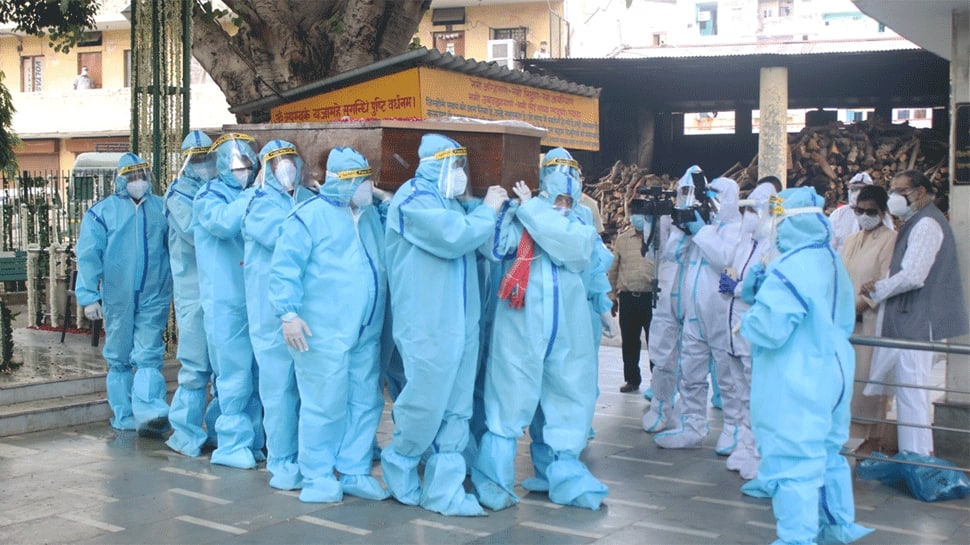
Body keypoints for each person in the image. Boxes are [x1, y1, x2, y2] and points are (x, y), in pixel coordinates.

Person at [380, 133, 507, 516]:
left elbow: (487, 246)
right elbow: (454, 238)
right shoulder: (412, 199)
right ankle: (400, 464)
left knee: (457, 407)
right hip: (427, 324)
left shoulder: (449, 203)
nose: (461, 174)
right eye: (455, 165)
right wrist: (485, 208)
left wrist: (480, 208)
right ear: (436, 163)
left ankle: (445, 491)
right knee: (425, 401)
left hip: (461, 324)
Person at [740, 186, 872, 545]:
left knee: (793, 461)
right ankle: (837, 527)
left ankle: (797, 538)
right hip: (834, 370)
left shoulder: (790, 265)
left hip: (797, 376)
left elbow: (772, 329)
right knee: (828, 454)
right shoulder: (830, 259)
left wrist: (750, 317)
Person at [473, 170, 608, 512]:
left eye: (568, 200)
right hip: (519, 328)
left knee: (568, 397)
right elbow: (493, 247)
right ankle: (494, 481)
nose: (562, 206)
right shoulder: (521, 220)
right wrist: (503, 209)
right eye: (556, 199)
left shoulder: (579, 226)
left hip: (566, 333)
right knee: (508, 400)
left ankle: (563, 476)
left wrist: (533, 211)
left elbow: (574, 250)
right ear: (543, 193)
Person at [270, 147, 390, 503]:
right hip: (321, 333)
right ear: (344, 181)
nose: (368, 187)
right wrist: (287, 314)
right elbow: (284, 268)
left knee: (366, 400)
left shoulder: (367, 216)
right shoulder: (308, 217)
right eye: (363, 180)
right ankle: (318, 474)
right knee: (324, 403)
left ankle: (353, 468)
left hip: (365, 330)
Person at [862, 170, 969, 456]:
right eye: (892, 190)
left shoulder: (926, 225)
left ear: (920, 192)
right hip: (908, 320)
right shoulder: (915, 223)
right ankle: (913, 458)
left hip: (918, 322)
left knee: (913, 397)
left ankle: (918, 461)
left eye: (901, 191)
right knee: (908, 396)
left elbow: (913, 276)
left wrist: (878, 290)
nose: (895, 197)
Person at [75, 153, 172, 435]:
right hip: (118, 296)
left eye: (142, 176)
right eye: (131, 177)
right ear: (120, 180)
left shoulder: (162, 208)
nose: (138, 182)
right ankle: (124, 413)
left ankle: (150, 411)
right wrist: (89, 295)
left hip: (154, 292)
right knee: (118, 355)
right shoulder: (102, 213)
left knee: (148, 353)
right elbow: (89, 255)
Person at [655, 175, 744, 453]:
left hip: (722, 314)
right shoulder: (704, 227)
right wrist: (684, 228)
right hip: (694, 313)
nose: (711, 201)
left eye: (716, 195)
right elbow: (672, 254)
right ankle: (692, 426)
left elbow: (724, 260)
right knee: (690, 372)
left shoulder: (736, 229)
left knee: (728, 377)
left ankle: (734, 428)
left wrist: (701, 231)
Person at [241, 140, 310, 490]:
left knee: (305, 390)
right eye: (277, 161)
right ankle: (282, 460)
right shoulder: (260, 205)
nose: (286, 167)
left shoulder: (308, 199)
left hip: (303, 314)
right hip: (271, 315)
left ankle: (306, 457)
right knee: (279, 388)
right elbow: (287, 237)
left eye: (289, 160)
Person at [193, 133, 264, 469]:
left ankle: (254, 440)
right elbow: (223, 224)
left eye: (248, 165)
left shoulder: (255, 194)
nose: (243, 171)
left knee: (255, 372)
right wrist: (251, 195)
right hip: (224, 299)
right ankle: (232, 444)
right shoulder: (208, 195)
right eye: (238, 166)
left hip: (253, 296)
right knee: (233, 373)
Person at [716, 180, 777, 479]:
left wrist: (738, 288)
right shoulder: (746, 242)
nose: (749, 215)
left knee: (758, 395)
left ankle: (759, 451)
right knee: (740, 394)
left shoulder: (773, 246)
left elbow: (765, 287)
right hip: (734, 329)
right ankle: (743, 447)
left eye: (754, 209)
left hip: (753, 331)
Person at [165, 131, 220, 457]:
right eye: (197, 159)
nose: (204, 165)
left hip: (221, 292)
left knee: (226, 368)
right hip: (194, 293)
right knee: (196, 365)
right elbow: (197, 233)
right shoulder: (178, 194)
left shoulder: (217, 189)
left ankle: (217, 432)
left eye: (207, 158)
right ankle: (185, 433)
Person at [840, 185, 896, 453]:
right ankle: (846, 436)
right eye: (859, 210)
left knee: (867, 380)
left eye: (870, 211)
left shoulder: (890, 239)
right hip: (844, 323)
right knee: (846, 379)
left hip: (871, 321)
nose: (864, 216)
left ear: (883, 212)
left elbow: (886, 281)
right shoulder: (851, 240)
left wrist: (859, 307)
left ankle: (871, 440)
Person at [608, 206, 655, 393]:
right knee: (629, 341)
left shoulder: (657, 239)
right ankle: (632, 379)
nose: (637, 218)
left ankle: (658, 380)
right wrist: (611, 297)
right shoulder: (622, 240)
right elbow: (613, 270)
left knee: (656, 341)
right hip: (628, 297)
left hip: (651, 298)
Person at [829, 172, 894, 254]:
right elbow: (830, 242)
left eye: (862, 189)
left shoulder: (880, 214)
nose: (858, 193)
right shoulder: (839, 214)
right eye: (854, 189)